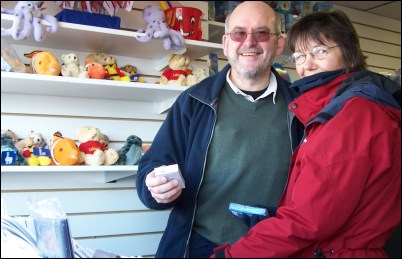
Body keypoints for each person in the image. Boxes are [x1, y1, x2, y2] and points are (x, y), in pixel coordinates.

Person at [211, 9, 401, 258]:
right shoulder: (333, 109)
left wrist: (232, 256)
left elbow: (308, 221)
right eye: (299, 56)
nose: (307, 65)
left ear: (350, 53)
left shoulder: (353, 114)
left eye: (320, 52)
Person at [136, 2, 303, 258]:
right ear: (226, 43)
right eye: (239, 33)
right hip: (199, 246)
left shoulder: (301, 109)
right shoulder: (194, 102)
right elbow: (153, 164)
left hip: (271, 249)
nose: (249, 42)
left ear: (279, 44)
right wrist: (154, 187)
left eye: (261, 33)